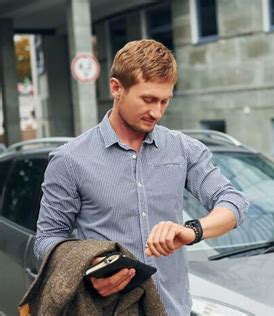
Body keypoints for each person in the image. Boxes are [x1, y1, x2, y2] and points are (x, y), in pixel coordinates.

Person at [34, 39, 249, 315]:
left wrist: (192, 231)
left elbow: (233, 202)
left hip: (173, 310)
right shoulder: (69, 160)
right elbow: (47, 239)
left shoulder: (182, 149)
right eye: (148, 99)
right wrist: (87, 268)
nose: (157, 112)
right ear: (116, 88)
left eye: (165, 101)